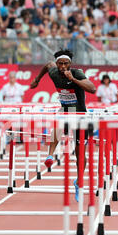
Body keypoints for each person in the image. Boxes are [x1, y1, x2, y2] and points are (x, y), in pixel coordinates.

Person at [30, 49, 96, 202]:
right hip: (66, 110)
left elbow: (92, 89)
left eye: (66, 63)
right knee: (58, 124)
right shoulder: (54, 72)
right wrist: (37, 79)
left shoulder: (77, 73)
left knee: (80, 153)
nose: (63, 66)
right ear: (57, 64)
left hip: (79, 113)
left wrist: (73, 79)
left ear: (70, 64)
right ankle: (50, 155)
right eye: (61, 64)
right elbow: (47, 65)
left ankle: (79, 182)